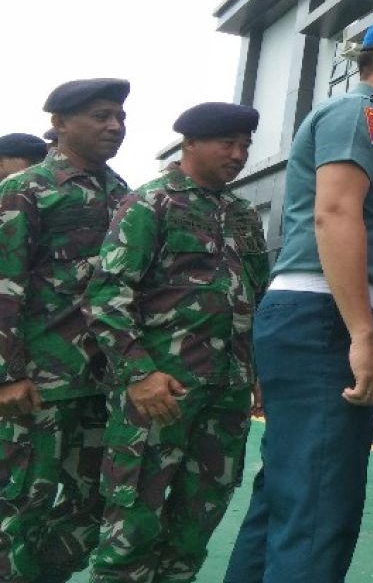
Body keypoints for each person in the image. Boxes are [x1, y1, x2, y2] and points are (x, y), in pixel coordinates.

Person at [224, 18, 373, 583]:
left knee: (288, 493)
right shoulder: (360, 115)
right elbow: (336, 213)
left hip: (314, 317)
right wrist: (361, 334)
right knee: (321, 502)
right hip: (324, 318)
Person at [84, 103, 268, 582]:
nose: (238, 154)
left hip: (225, 395)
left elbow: (256, 296)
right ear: (189, 143)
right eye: (226, 143)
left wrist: (258, 373)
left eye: (245, 145)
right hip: (161, 395)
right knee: (132, 529)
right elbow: (107, 294)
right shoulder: (151, 203)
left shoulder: (243, 214)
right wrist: (139, 374)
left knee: (194, 528)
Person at [0, 78, 131, 583]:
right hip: (37, 385)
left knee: (94, 504)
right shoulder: (24, 190)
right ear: (59, 124)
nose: (114, 126)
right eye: (101, 116)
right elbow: (4, 284)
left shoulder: (124, 195)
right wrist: (6, 375)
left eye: (119, 116)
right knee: (20, 506)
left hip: (102, 384)